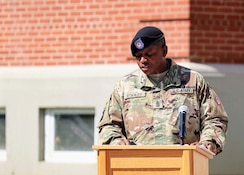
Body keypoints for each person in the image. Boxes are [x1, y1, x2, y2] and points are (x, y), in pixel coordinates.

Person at [97, 26, 228, 155]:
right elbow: (108, 125)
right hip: (138, 164)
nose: (143, 60)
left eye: (149, 54)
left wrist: (207, 142)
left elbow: (215, 119)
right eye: (138, 56)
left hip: (184, 163)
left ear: (164, 51)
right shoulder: (125, 86)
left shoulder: (192, 81)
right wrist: (116, 141)